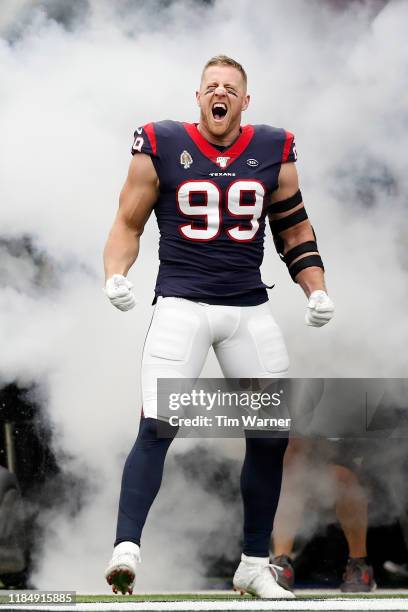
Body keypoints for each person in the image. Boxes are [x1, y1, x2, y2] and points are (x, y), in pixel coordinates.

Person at [102, 54, 334, 598]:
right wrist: (116, 273)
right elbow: (127, 222)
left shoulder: (273, 147)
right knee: (158, 424)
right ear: (199, 96)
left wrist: (316, 287)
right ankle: (126, 549)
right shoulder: (159, 143)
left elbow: (294, 229)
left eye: (230, 87)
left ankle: (254, 563)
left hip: (248, 308)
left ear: (244, 102)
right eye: (212, 86)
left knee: (272, 434)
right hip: (182, 304)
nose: (220, 93)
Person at [272, 438, 376, 592]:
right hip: (302, 441)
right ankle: (280, 565)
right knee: (289, 472)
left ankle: (359, 565)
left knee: (345, 478)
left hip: (340, 441)